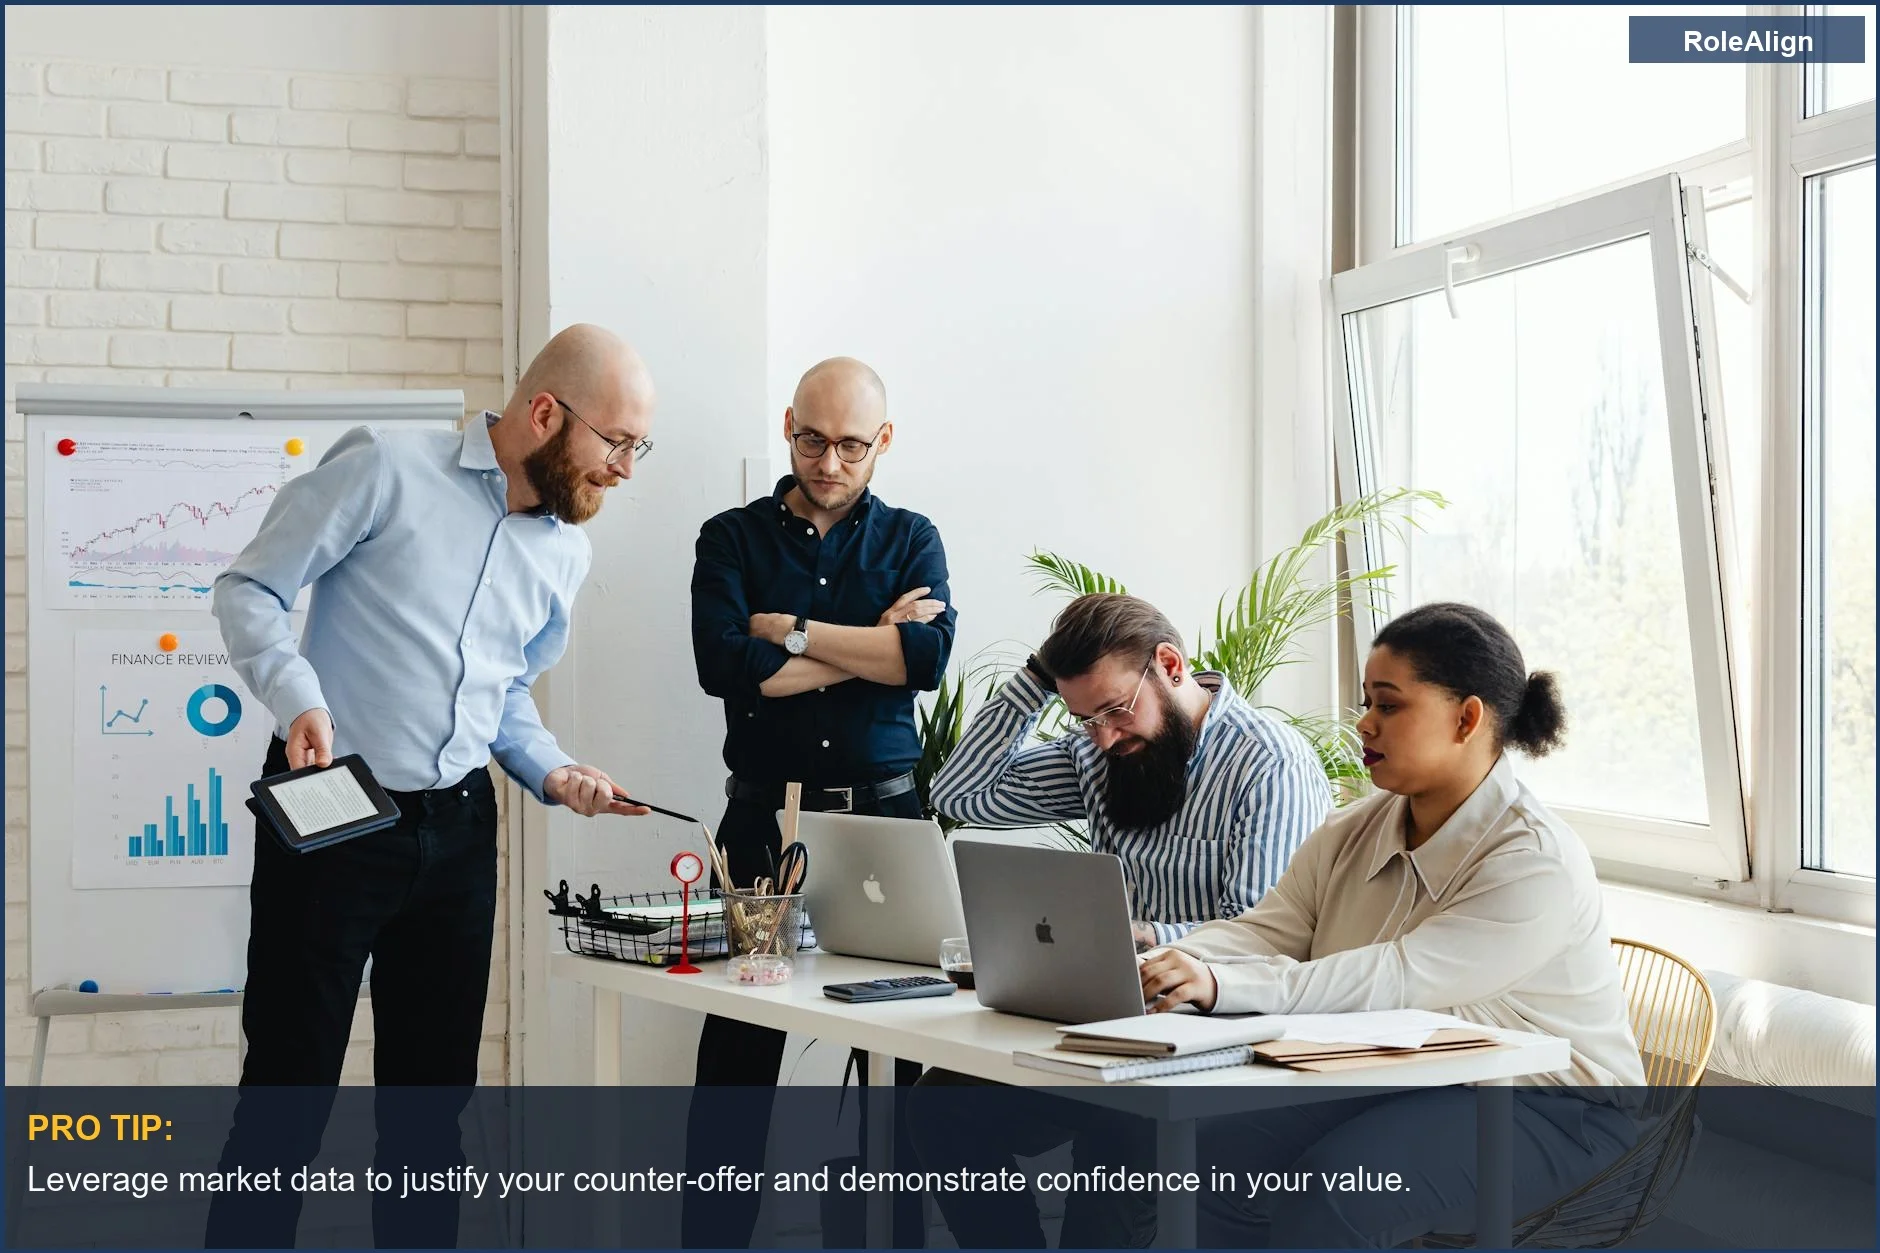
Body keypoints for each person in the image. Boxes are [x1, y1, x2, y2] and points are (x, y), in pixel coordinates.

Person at [205, 323, 658, 1248]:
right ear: (545, 414)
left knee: (429, 1114)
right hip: (332, 808)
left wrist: (552, 768)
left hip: (455, 830)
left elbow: (506, 694)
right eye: (617, 442)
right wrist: (298, 698)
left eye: (637, 447)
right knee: (287, 1101)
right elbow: (250, 588)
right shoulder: (385, 467)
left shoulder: (563, 551)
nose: (624, 470)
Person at [1138, 601, 1646, 1247]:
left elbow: (1397, 979)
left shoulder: (1534, 861)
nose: (1364, 722)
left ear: (1466, 718)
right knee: (1210, 1158)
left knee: (1336, 1195)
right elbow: (1266, 930)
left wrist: (1218, 985)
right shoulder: (1353, 827)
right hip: (1406, 1073)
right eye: (1365, 701)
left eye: (1388, 704)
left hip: (1549, 1109)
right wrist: (1158, 966)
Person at [910, 591, 1330, 1248]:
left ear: (1170, 663)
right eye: (1086, 718)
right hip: (1109, 1018)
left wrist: (1147, 936)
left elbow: (1262, 934)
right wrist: (1034, 681)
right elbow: (960, 793)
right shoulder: (1103, 754)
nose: (1104, 735)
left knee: (1117, 1144)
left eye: (1115, 710)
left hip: (1216, 1035)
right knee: (939, 1107)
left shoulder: (1267, 763)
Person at [686, 356, 956, 1248]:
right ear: (789, 424)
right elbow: (723, 668)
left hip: (885, 818)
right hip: (762, 821)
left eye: (849, 445)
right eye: (812, 439)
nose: (828, 463)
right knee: (738, 1046)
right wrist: (867, 641)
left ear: (883, 441)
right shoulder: (730, 537)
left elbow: (922, 664)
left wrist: (791, 634)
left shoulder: (913, 539)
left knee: (913, 1043)